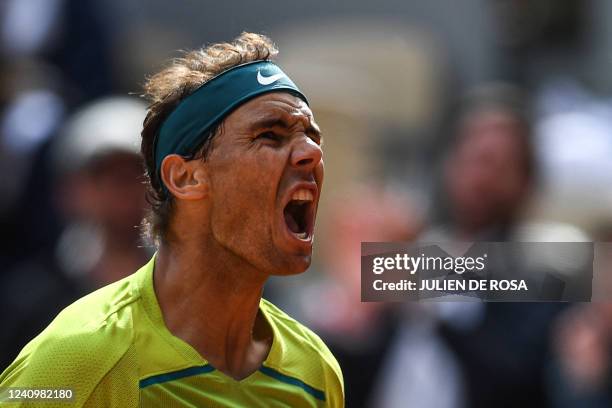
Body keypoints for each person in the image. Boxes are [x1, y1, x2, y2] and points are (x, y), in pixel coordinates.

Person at [0, 32, 344, 407]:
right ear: (185, 177)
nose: (311, 152)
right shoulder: (77, 357)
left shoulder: (316, 369)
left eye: (312, 136)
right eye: (269, 135)